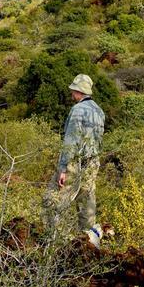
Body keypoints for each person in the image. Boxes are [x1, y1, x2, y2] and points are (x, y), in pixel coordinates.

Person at [44, 73, 106, 245]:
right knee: (86, 205)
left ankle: (56, 243)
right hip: (93, 162)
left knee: (52, 200)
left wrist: (63, 168)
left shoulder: (78, 110)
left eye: (73, 91)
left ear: (78, 91)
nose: (72, 94)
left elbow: (71, 140)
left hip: (76, 162)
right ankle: (89, 244)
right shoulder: (99, 111)